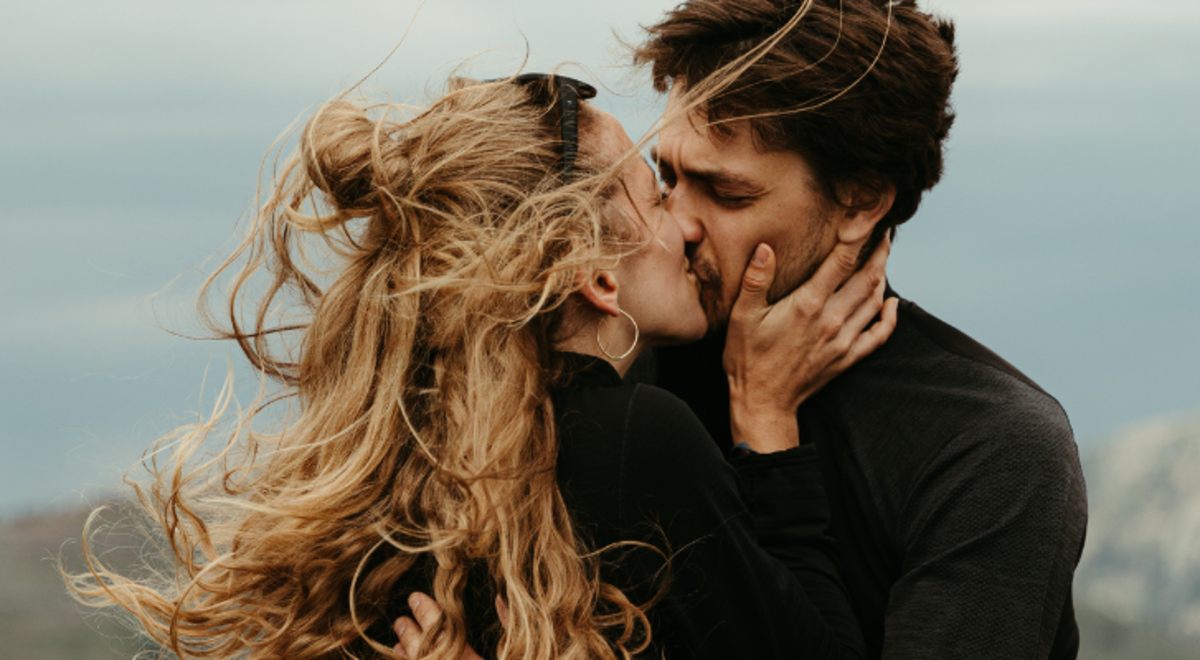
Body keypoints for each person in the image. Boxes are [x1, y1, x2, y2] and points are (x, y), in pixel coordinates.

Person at [64, 69, 896, 660]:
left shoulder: (409, 458)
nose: (686, 226)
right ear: (597, 276)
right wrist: (767, 425)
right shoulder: (635, 438)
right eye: (654, 194)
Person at [626, 0, 1088, 658]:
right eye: (667, 178)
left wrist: (767, 436)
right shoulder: (633, 372)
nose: (678, 223)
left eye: (726, 193)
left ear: (861, 201)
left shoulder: (993, 448)